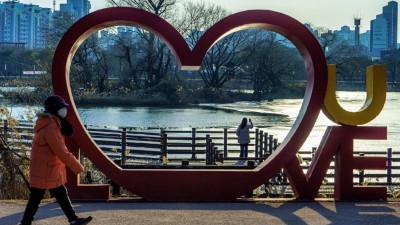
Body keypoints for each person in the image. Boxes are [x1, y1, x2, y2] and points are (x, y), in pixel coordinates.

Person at [19, 95, 92, 225]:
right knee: (37, 197)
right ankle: (26, 222)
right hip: (45, 169)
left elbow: (63, 139)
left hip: (48, 168)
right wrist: (77, 166)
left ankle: (73, 219)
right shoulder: (50, 127)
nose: (64, 110)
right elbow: (61, 151)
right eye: (61, 107)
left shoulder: (51, 123)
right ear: (55, 109)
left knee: (58, 194)